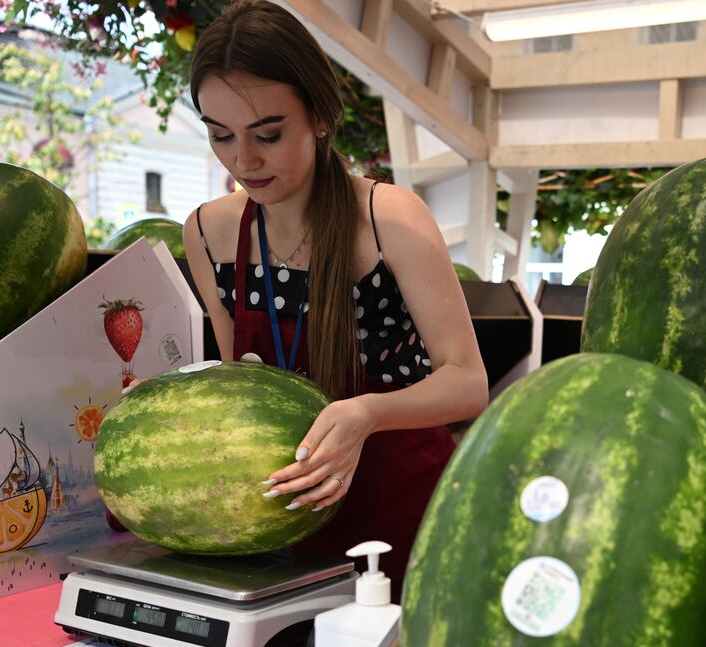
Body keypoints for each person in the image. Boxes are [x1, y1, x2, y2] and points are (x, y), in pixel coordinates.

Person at [182, 0, 488, 597]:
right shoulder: (208, 232)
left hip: (398, 513)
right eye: (220, 135)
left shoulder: (389, 218)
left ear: (320, 117)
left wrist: (365, 414)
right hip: (279, 517)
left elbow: (468, 383)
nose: (243, 160)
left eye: (268, 134)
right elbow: (237, 389)